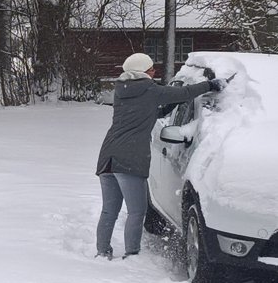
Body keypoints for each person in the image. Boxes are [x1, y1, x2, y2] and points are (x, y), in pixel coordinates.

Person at [95, 52, 225, 260]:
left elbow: (153, 113)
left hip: (108, 156)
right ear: (143, 71)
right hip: (130, 157)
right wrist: (210, 85)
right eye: (151, 68)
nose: (154, 71)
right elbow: (186, 92)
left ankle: (102, 252)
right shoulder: (149, 89)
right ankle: (132, 255)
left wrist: (171, 104)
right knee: (137, 211)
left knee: (109, 211)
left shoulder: (122, 90)